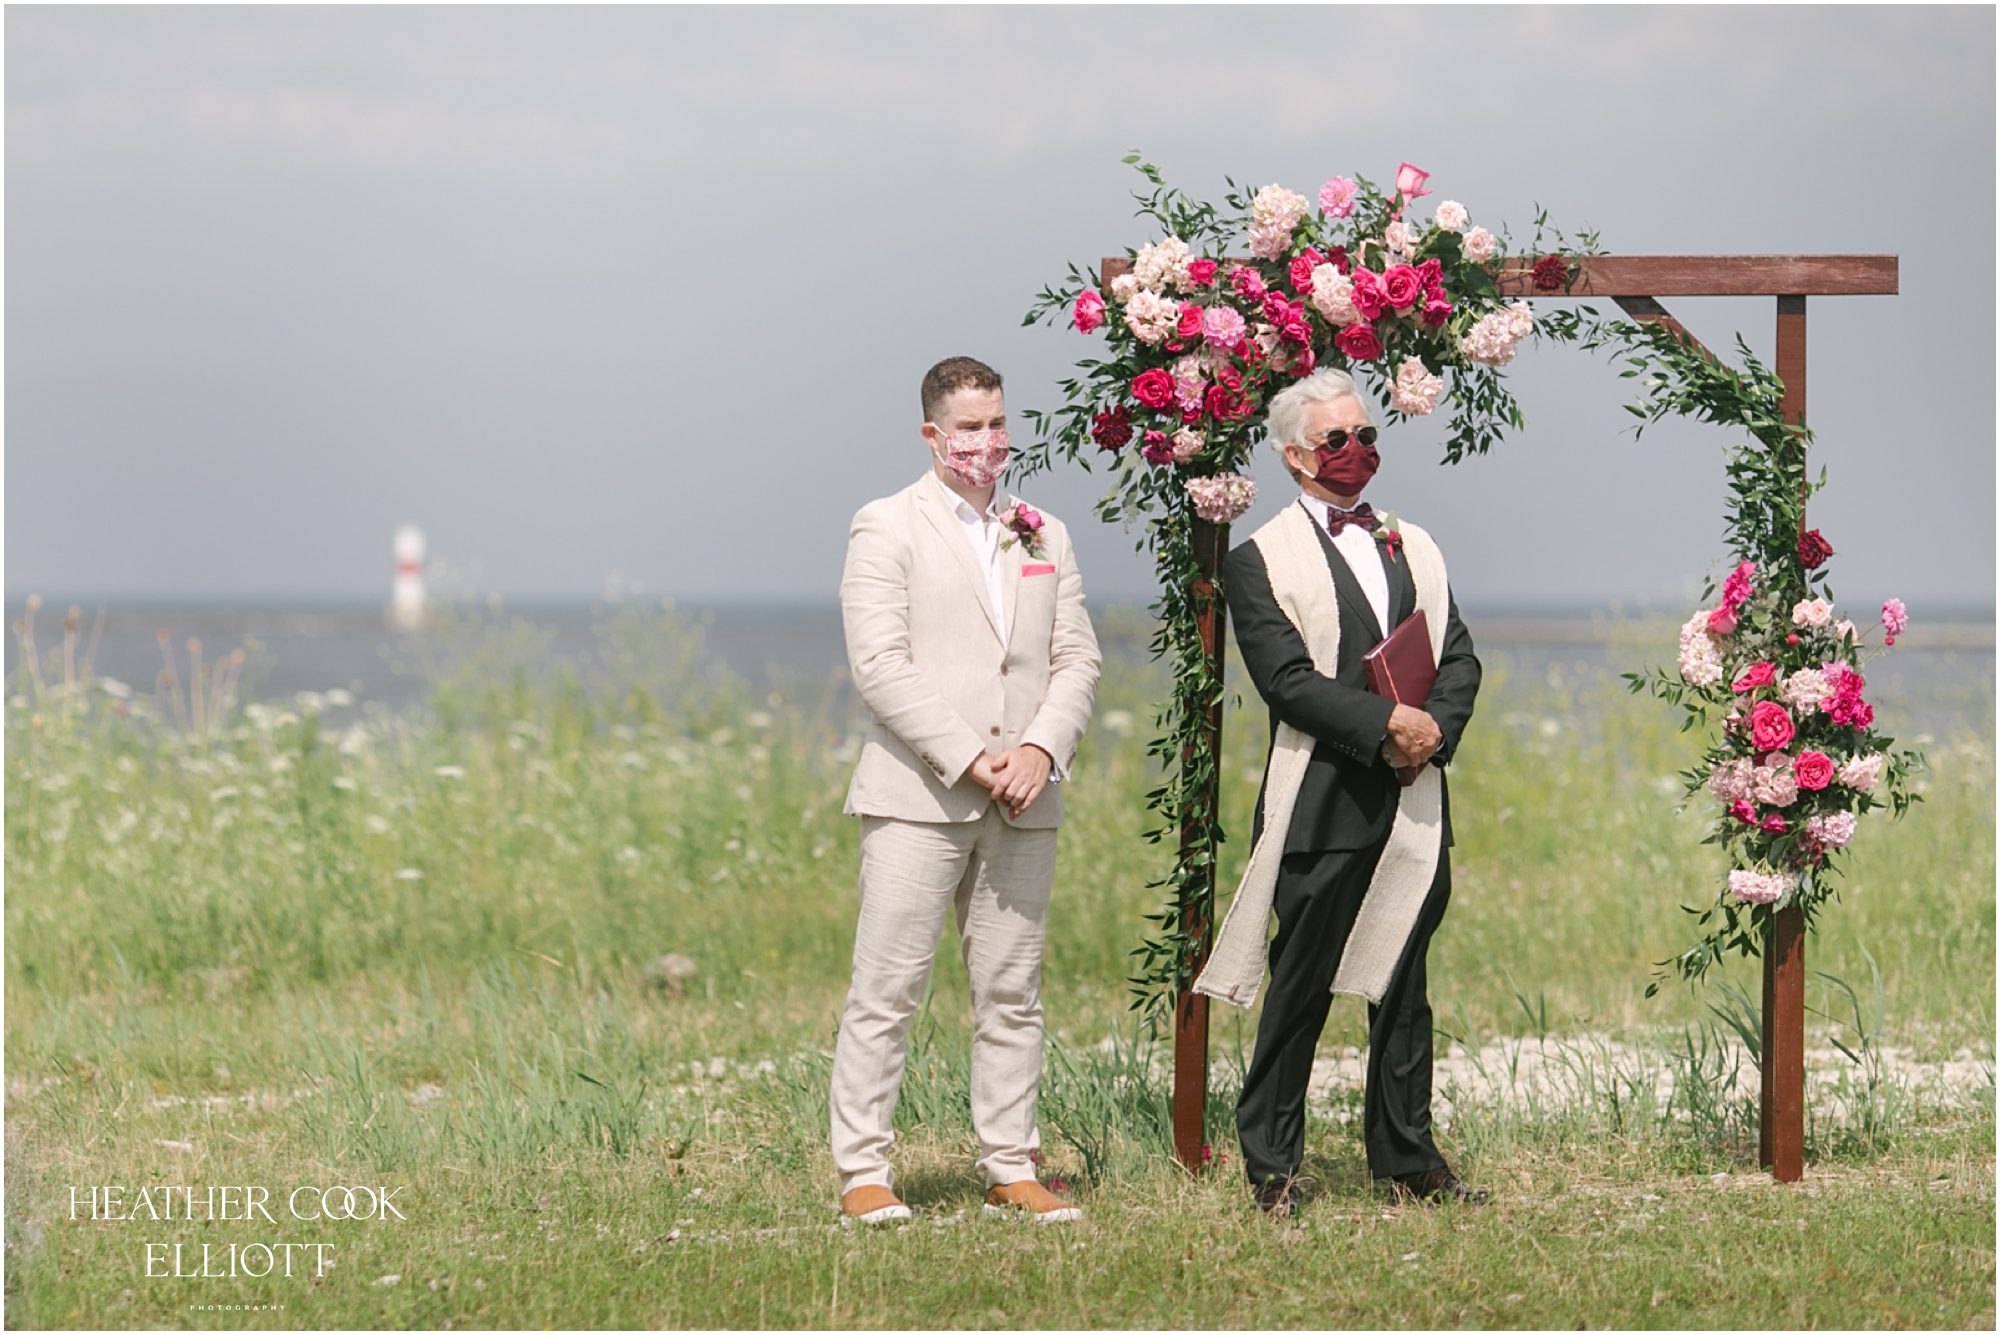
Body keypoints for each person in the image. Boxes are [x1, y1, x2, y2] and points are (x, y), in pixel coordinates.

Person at [1194, 366, 1486, 1217]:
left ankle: (1407, 1158)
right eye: (1337, 439)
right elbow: (1285, 680)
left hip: (1414, 794)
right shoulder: (1258, 560)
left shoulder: (1414, 543)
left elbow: (1458, 650)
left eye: (1367, 436)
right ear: (1294, 455)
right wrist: (1387, 723)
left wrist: (1434, 730)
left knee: (1404, 985)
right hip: (1322, 804)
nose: (1358, 451)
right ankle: (1272, 1166)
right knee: (1302, 986)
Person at [830, 355, 1102, 1225]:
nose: (987, 441)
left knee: (1013, 991)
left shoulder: (1043, 532)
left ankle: (1011, 1164)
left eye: (997, 423)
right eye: (970, 427)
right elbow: (880, 666)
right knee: (888, 988)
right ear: (932, 434)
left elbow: (1077, 657)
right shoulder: (886, 525)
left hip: (1026, 799)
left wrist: (1037, 748)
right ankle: (864, 1169)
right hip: (920, 794)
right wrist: (972, 756)